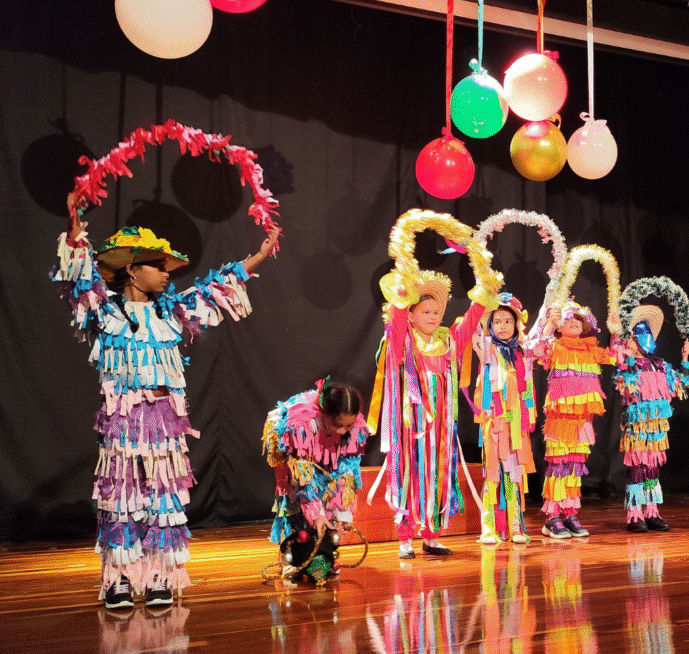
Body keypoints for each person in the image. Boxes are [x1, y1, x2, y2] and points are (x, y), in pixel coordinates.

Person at [53, 194, 278, 609]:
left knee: (162, 498)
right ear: (133, 271)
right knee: (120, 497)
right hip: (122, 418)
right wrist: (74, 223)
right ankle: (119, 579)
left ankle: (159, 577)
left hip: (163, 418)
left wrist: (258, 258)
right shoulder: (107, 312)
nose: (164, 273)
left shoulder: (172, 311)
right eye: (157, 266)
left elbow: (215, 290)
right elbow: (77, 278)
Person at [374, 270, 500, 559]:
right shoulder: (401, 341)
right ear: (411, 316)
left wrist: (483, 294)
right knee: (409, 477)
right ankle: (405, 538)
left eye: (437, 311)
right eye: (425, 311)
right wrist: (401, 297)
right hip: (409, 429)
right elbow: (396, 318)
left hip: (440, 429)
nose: (433, 316)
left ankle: (432, 537)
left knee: (438, 476)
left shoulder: (449, 342)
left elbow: (469, 323)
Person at [263, 377, 368, 581]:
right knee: (295, 508)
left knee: (330, 513)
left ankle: (324, 558)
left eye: (349, 425)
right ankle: (291, 557)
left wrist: (343, 514)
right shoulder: (302, 426)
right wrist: (315, 514)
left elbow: (348, 472)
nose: (344, 431)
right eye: (339, 425)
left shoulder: (355, 429)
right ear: (324, 414)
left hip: (330, 466)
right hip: (300, 465)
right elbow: (302, 481)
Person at [535, 300, 615, 539]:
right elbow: (536, 350)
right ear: (560, 325)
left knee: (574, 467)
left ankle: (570, 514)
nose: (573, 322)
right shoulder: (554, 346)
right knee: (558, 466)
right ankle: (552, 518)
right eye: (568, 319)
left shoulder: (590, 348)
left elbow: (615, 356)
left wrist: (616, 330)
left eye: (578, 319)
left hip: (582, 419)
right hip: (560, 419)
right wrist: (548, 323)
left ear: (585, 326)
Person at [612, 304, 689, 532]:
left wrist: (685, 360)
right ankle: (634, 515)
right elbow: (625, 388)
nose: (644, 339)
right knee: (638, 468)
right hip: (637, 427)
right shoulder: (627, 366)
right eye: (639, 335)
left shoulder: (661, 366)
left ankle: (652, 512)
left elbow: (681, 387)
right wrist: (626, 360)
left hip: (656, 430)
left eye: (646, 333)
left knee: (652, 469)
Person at [466, 292, 538, 545]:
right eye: (497, 321)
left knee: (515, 473)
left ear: (516, 324)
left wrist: (529, 411)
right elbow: (472, 329)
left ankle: (515, 525)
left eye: (508, 321)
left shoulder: (522, 352)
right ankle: (488, 526)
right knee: (493, 473)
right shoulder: (485, 347)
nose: (503, 326)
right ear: (490, 325)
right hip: (493, 419)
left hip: (516, 422)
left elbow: (526, 385)